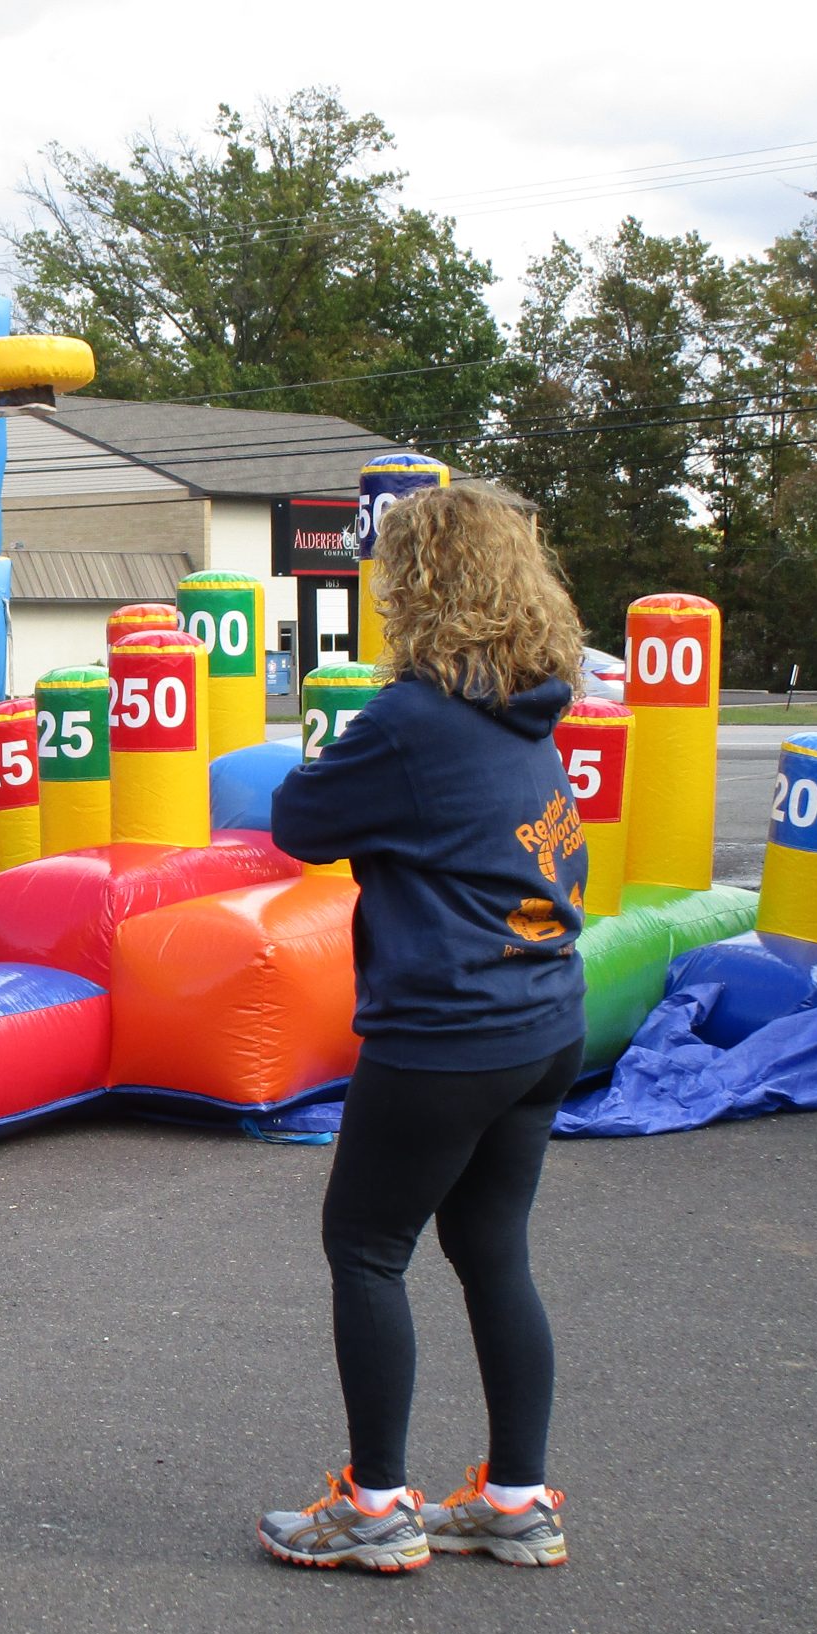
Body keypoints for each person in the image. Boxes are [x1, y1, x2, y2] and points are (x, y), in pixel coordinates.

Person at [259, 480, 589, 1575]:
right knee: (493, 1248)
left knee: (364, 1247)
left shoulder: (409, 719)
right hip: (543, 1016)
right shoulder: (533, 707)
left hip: (448, 1026)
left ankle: (376, 1508)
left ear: (421, 587)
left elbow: (300, 821)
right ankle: (515, 1500)